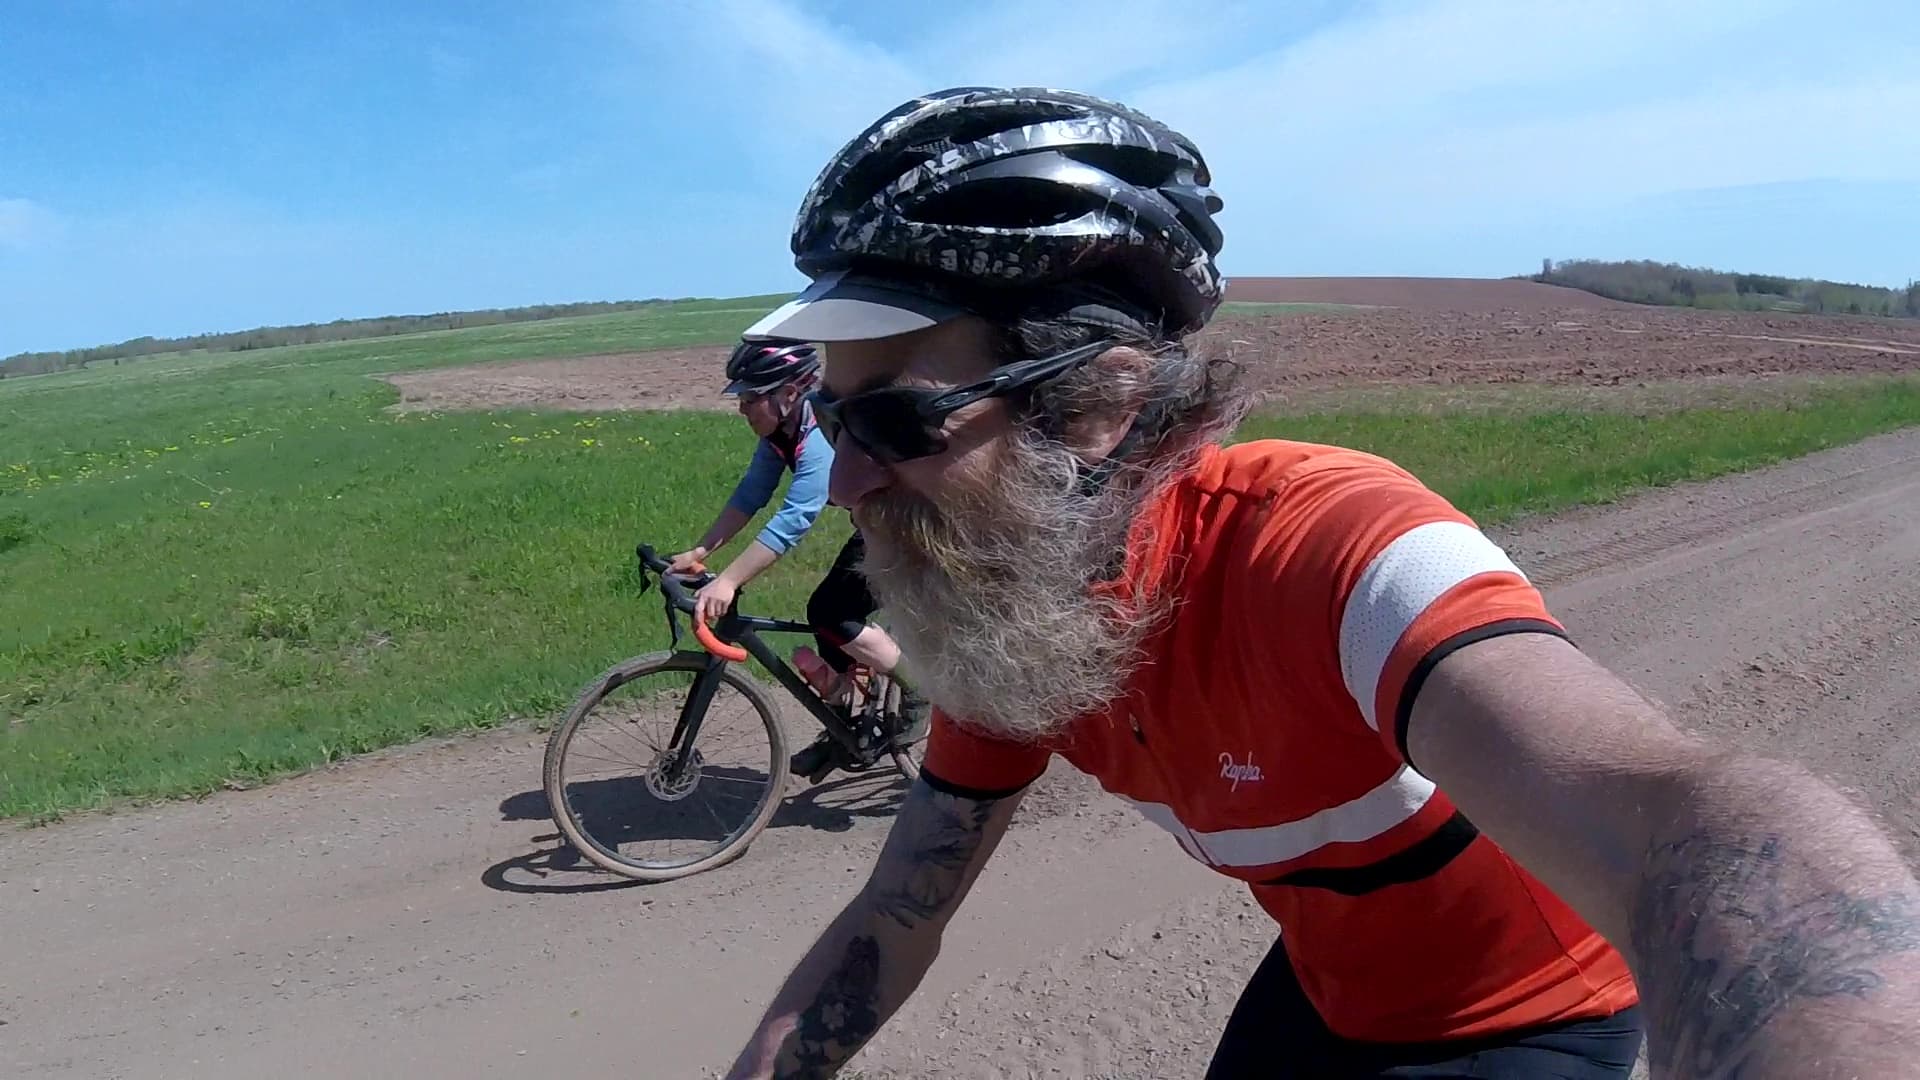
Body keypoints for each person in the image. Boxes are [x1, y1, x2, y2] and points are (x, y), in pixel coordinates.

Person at [716, 87, 1920, 1079]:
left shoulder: (1320, 541)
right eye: (836, 415)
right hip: (1330, 985)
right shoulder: (1009, 606)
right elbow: (900, 913)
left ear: (1096, 401)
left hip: (1530, 1013)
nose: (851, 477)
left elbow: (1684, 824)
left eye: (897, 419)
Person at [669, 337, 926, 781]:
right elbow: (751, 494)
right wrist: (700, 551)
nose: (742, 408)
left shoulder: (820, 435)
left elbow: (794, 518)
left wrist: (728, 581)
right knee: (828, 621)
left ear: (789, 394)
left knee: (833, 614)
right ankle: (848, 726)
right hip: (877, 522)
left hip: (913, 522)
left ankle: (921, 692)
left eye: (750, 398)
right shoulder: (781, 434)